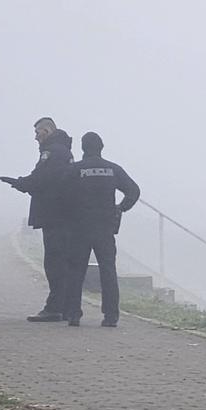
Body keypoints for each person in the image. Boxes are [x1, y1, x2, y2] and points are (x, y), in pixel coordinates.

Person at [0, 117, 76, 322]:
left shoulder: (53, 152)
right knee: (60, 261)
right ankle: (65, 306)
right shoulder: (63, 151)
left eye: (37, 132)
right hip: (61, 214)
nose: (35, 137)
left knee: (55, 263)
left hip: (54, 214)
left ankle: (55, 307)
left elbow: (42, 178)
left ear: (48, 131)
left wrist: (19, 183)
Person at [64, 132, 141, 328]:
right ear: (101, 147)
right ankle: (111, 316)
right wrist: (120, 208)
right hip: (105, 227)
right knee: (108, 270)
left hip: (79, 227)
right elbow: (133, 191)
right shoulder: (113, 169)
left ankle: (73, 314)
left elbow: (61, 194)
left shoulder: (75, 169)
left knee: (75, 270)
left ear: (83, 148)